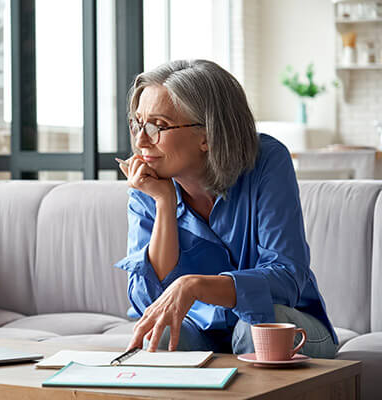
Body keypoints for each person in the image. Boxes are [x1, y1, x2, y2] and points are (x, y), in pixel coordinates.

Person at [113, 59, 337, 358]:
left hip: (286, 325)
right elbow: (149, 302)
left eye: (158, 126)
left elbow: (286, 277)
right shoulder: (149, 181)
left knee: (254, 328)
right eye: (137, 124)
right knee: (162, 334)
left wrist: (195, 286)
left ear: (207, 135)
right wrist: (164, 204)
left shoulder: (267, 161)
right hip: (201, 330)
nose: (141, 141)